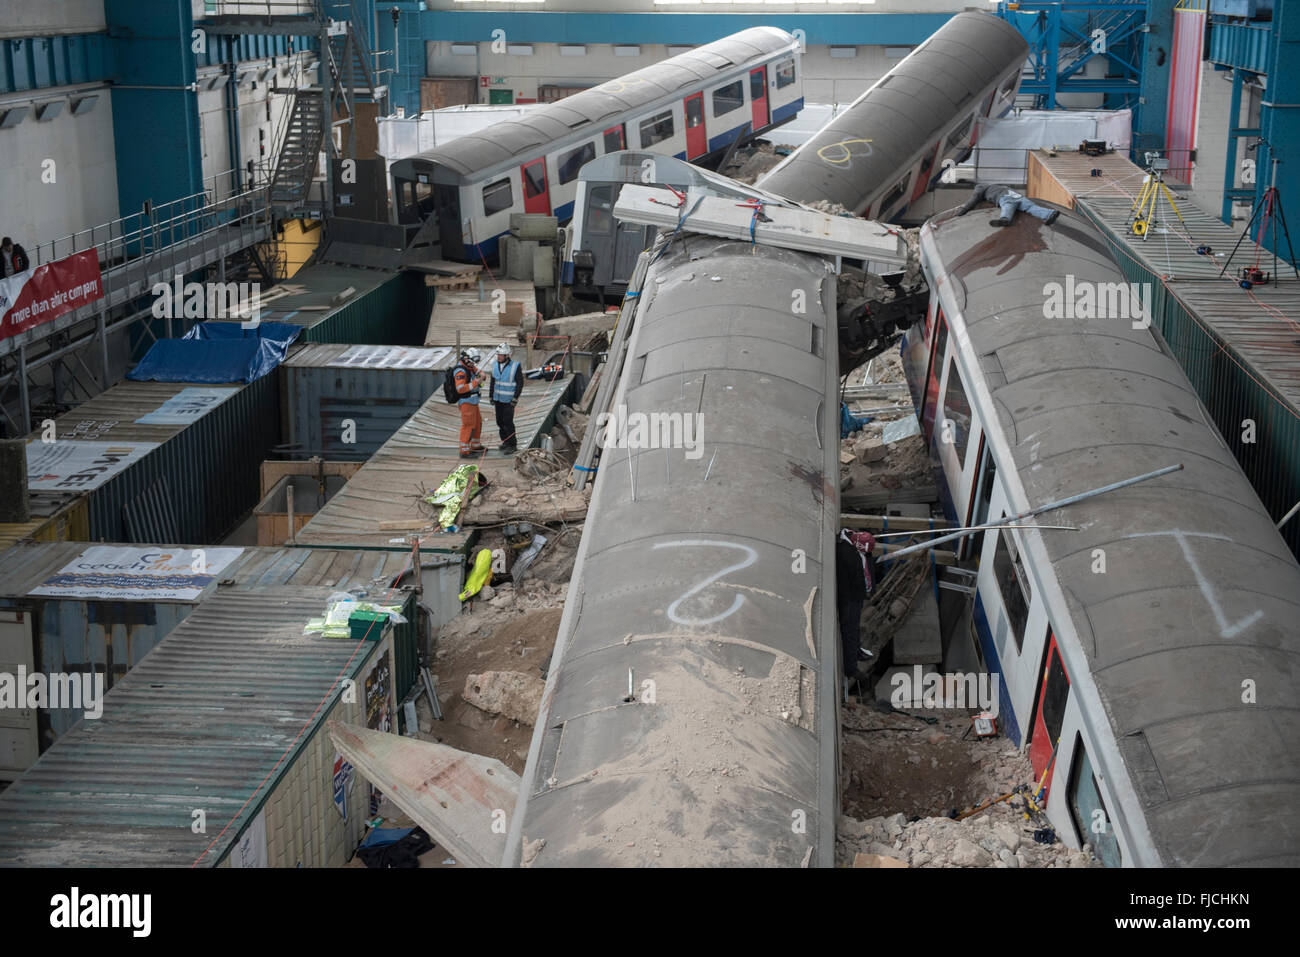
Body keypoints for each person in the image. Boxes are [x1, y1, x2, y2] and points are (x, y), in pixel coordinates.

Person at [836, 528, 878, 682]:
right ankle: (851, 668)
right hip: (850, 599)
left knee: (854, 630)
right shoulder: (846, 553)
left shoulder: (855, 545)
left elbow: (866, 564)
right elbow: (852, 579)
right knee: (850, 631)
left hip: (858, 596)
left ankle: (857, 650)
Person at [956, 183, 1060, 227]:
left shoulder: (980, 187)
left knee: (1007, 205)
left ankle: (1005, 219)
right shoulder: (998, 185)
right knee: (1030, 207)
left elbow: (975, 197)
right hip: (1017, 195)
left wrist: (964, 209)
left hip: (1005, 196)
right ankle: (1050, 214)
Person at [488, 341, 524, 452]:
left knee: (508, 422)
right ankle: (505, 442)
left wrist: (515, 398)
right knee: (500, 422)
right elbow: (493, 381)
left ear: (507, 355)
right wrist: (491, 396)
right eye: (498, 355)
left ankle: (512, 445)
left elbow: (520, 383)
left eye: (501, 355)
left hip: (509, 401)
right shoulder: (494, 365)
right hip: (498, 399)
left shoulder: (515, 366)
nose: (499, 357)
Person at [453, 348, 486, 457]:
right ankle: (464, 450)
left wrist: (481, 374)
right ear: (466, 358)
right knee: (468, 425)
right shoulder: (461, 371)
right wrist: (476, 382)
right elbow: (460, 388)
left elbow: (477, 370)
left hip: (473, 400)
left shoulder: (470, 366)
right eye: (472, 362)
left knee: (478, 422)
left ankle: (475, 445)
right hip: (466, 401)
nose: (473, 364)